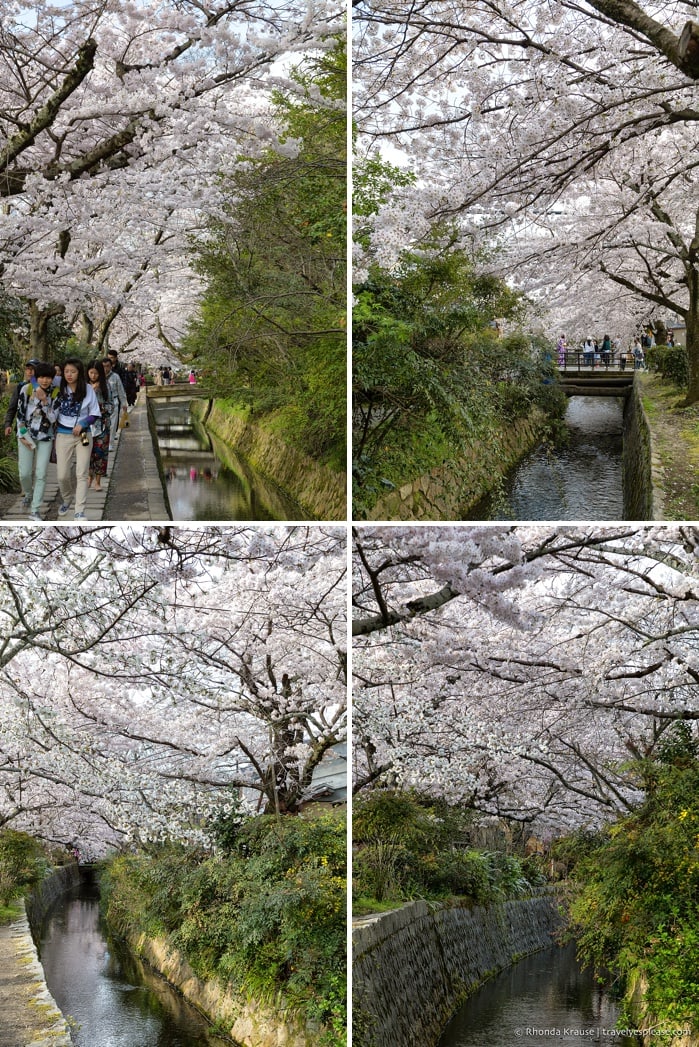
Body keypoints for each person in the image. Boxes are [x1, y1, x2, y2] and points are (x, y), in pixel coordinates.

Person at [55, 358, 101, 520]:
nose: (69, 375)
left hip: (83, 435)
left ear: (79, 373)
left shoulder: (88, 389)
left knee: (81, 473)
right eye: (66, 371)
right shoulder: (58, 385)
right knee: (62, 475)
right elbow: (35, 378)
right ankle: (67, 498)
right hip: (63, 434)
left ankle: (79, 510)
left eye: (73, 372)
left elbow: (95, 413)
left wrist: (83, 423)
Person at [16, 363, 59, 521]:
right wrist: (21, 435)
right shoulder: (26, 389)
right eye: (41, 377)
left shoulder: (55, 393)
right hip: (26, 435)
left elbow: (54, 418)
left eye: (48, 377)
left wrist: (45, 402)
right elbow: (20, 416)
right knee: (25, 473)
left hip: (45, 436)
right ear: (36, 377)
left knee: (41, 473)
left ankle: (35, 510)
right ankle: (28, 493)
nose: (45, 380)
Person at [86, 360, 112, 491]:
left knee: (100, 453)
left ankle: (98, 481)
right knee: (87, 452)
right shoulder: (84, 386)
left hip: (101, 425)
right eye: (91, 373)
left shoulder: (105, 386)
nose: (93, 376)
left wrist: (101, 409)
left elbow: (111, 405)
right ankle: (88, 477)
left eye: (96, 373)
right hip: (86, 425)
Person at [4, 359, 39, 435]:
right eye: (28, 369)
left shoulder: (44, 387)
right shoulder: (21, 386)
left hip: (40, 430)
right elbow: (12, 406)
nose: (30, 372)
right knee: (23, 444)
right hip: (23, 428)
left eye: (33, 369)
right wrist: (8, 424)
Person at [102, 356, 128, 450]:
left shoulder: (115, 376)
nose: (105, 369)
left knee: (113, 424)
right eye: (103, 366)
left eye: (107, 366)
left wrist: (124, 403)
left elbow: (121, 390)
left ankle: (110, 443)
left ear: (111, 366)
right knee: (102, 424)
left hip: (114, 402)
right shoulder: (98, 376)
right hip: (101, 403)